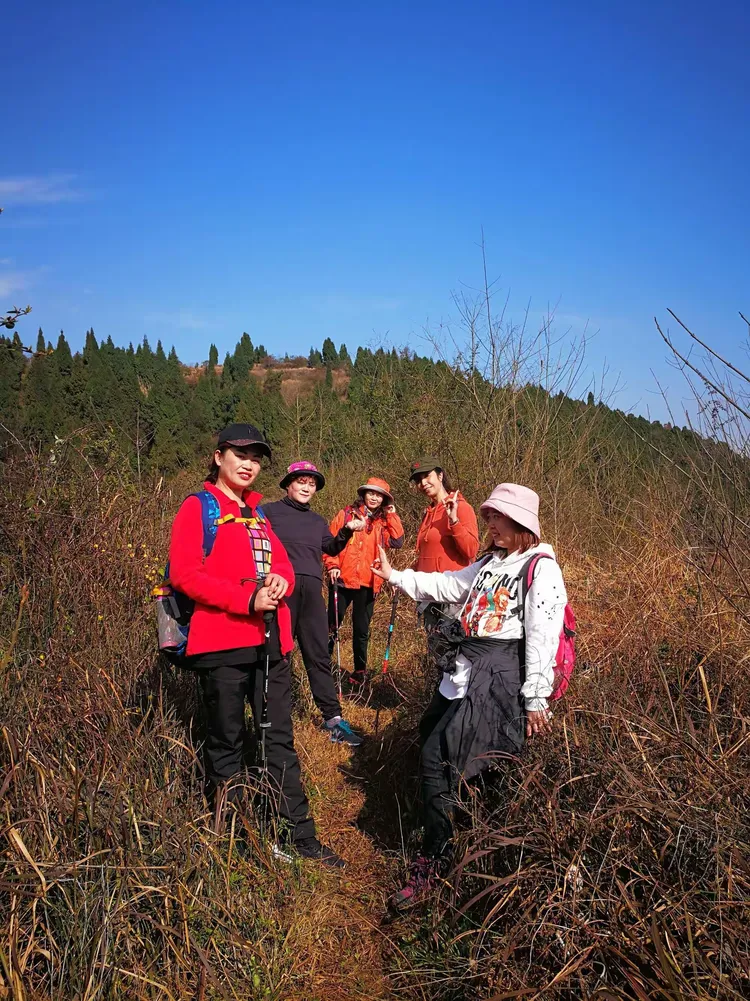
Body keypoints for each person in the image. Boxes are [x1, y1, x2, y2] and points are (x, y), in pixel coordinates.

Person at [371, 483, 568, 907]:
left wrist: (536, 697)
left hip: (497, 680)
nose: (491, 524)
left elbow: (543, 635)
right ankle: (454, 844)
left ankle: (442, 858)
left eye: (498, 517)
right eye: (491, 516)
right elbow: (448, 586)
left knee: (452, 760)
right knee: (441, 750)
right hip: (464, 672)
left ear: (520, 524)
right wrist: (396, 577)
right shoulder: (488, 562)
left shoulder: (540, 568)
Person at [167, 424, 343, 867]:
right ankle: (233, 840)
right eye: (239, 453)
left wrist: (280, 577)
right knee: (227, 742)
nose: (248, 463)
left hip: (270, 645)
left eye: (256, 456)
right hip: (221, 645)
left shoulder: (259, 513)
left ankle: (297, 837)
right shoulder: (199, 507)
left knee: (277, 741)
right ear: (218, 456)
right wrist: (246, 598)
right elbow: (184, 574)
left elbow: (277, 560)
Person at [263, 461, 366, 747]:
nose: (307, 487)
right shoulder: (268, 512)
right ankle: (275, 720)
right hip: (281, 592)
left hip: (311, 594)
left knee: (319, 655)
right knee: (278, 655)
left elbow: (331, 547)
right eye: (301, 481)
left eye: (312, 483)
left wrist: (347, 530)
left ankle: (333, 721)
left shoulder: (318, 521)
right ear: (288, 483)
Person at [323, 477, 405, 691]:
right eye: (371, 493)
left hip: (369, 581)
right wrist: (332, 565)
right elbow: (329, 542)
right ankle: (321, 664)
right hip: (341, 579)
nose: (374, 497)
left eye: (380, 495)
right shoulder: (346, 514)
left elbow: (397, 542)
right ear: (364, 494)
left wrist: (392, 514)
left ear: (384, 500)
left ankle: (359, 671)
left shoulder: (382, 523)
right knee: (331, 624)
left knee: (362, 629)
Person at [409, 457, 479, 573]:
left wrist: (454, 522)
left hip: (450, 586)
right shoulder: (428, 513)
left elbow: (471, 551)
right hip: (428, 587)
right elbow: (430, 555)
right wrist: (410, 574)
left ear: (440, 476)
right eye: (418, 480)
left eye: (427, 476)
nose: (423, 483)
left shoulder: (461, 507)